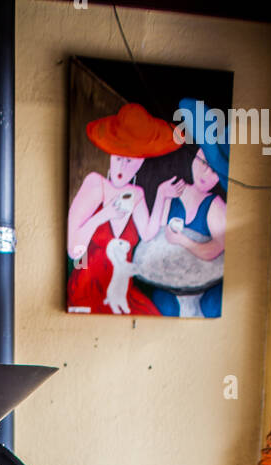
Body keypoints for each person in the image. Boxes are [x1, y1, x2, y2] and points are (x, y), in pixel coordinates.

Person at [67, 102, 184, 315]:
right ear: (111, 154)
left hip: (123, 294)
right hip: (87, 291)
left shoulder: (137, 193)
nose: (123, 167)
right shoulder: (95, 184)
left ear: (140, 162)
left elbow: (147, 234)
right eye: (119, 158)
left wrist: (161, 195)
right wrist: (104, 215)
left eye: (131, 161)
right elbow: (73, 248)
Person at [149, 97, 228, 317]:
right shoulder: (174, 190)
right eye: (204, 162)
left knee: (213, 307)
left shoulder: (215, 206)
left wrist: (182, 240)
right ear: (196, 155)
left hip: (204, 290)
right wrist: (160, 196)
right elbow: (151, 234)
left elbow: (215, 250)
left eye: (216, 172)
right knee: (161, 304)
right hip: (172, 283)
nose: (207, 174)